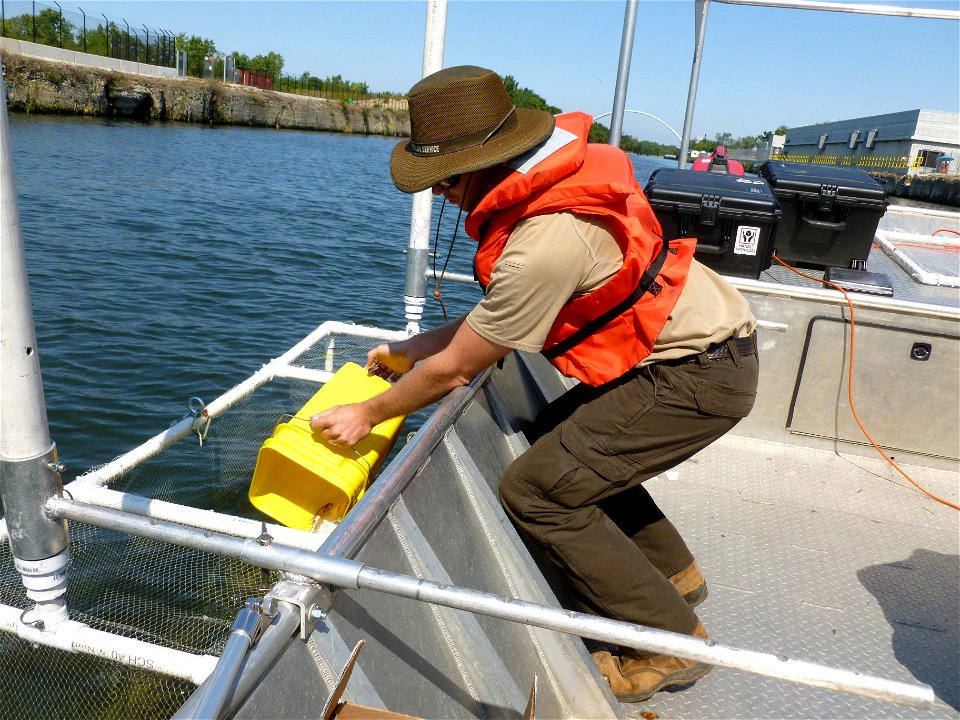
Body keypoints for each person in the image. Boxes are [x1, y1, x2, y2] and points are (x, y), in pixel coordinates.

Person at [310, 65, 759, 702]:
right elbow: (490, 324)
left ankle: (667, 641)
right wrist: (412, 348)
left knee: (536, 491)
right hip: (700, 353)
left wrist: (370, 412)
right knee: (557, 436)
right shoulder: (550, 189)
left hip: (698, 378)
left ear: (490, 163)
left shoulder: (544, 241)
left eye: (445, 178)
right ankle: (672, 574)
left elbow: (464, 365)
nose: (438, 194)